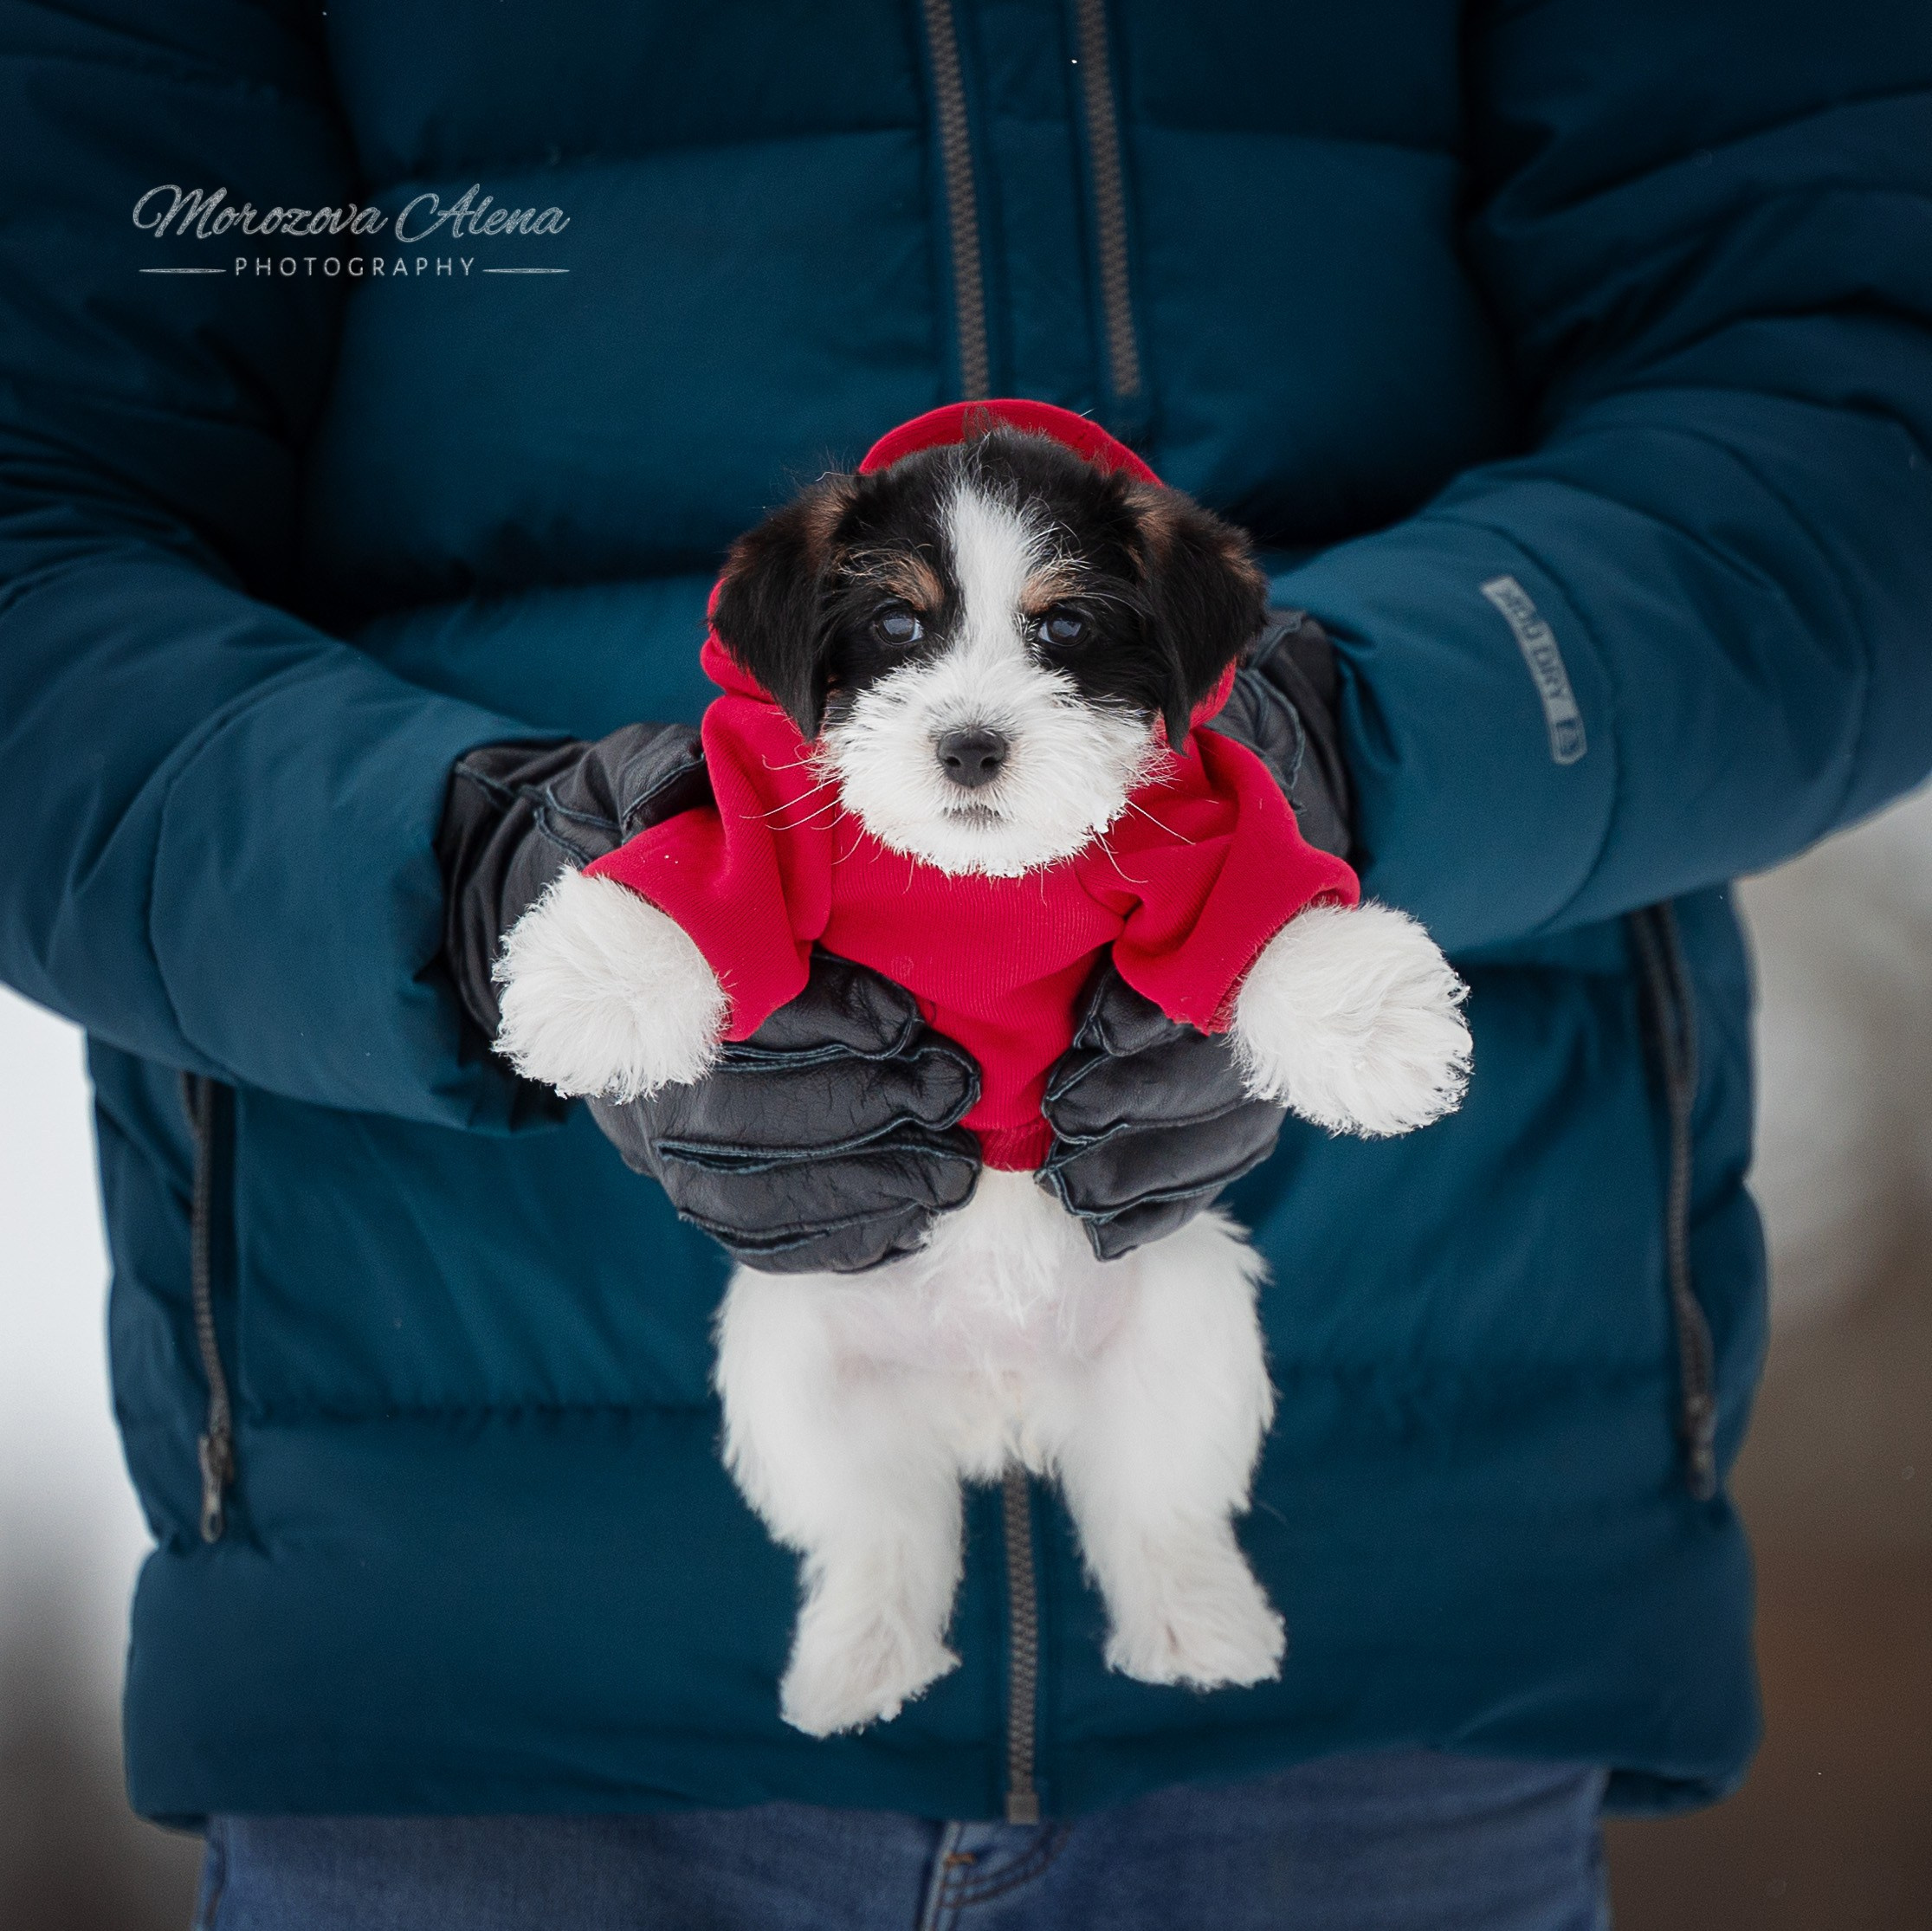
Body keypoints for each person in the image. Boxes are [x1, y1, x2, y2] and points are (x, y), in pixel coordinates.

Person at [2, 2, 1928, 1925]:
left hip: (1406, 1601)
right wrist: (470, 894)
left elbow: (1853, 405)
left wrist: (1354, 757)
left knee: (1192, 1340)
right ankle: (872, 1577)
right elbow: (39, 531)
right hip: (464, 1618)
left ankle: (1175, 1558)